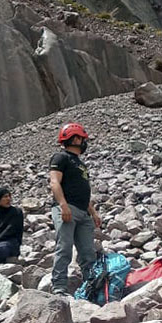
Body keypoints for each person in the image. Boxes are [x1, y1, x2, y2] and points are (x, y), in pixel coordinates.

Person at [49, 122, 101, 295]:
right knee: (64, 248)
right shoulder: (60, 158)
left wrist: (92, 212)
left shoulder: (80, 163)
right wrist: (63, 206)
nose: (84, 142)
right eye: (82, 139)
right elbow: (54, 182)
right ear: (75, 138)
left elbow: (82, 191)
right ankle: (59, 286)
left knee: (88, 252)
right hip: (67, 209)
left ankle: (92, 285)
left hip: (83, 212)